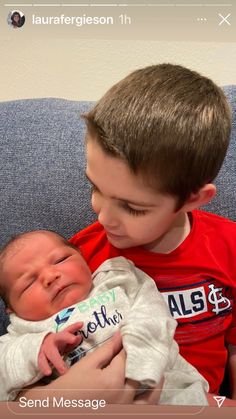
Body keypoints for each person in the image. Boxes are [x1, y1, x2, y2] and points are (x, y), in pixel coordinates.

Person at [66, 63, 236, 401]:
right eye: (95, 187)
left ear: (192, 199)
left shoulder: (229, 247)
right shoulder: (77, 259)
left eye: (132, 208)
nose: (103, 217)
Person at [0, 230, 208, 405]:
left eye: (61, 260)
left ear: (83, 258)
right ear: (11, 310)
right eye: (28, 283)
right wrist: (36, 347)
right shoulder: (23, 331)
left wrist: (138, 346)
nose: (50, 276)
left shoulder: (116, 278)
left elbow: (152, 308)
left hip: (169, 386)